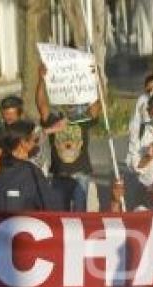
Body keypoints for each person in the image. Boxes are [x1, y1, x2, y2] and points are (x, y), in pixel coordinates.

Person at [36, 64, 101, 211]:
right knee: (60, 214)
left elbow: (97, 106)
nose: (69, 104)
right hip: (59, 175)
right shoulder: (54, 120)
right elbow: (41, 105)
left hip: (81, 175)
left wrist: (96, 80)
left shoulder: (83, 119)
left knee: (79, 214)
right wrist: (41, 80)